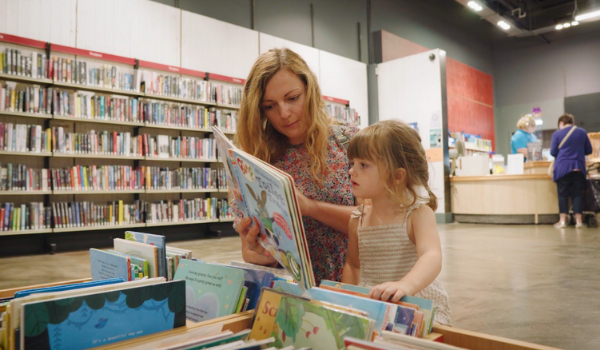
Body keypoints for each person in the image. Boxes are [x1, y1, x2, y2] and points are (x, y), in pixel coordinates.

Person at [231, 48, 359, 284]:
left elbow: (374, 222)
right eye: (270, 106)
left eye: (292, 98)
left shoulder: (349, 142)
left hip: (349, 288)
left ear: (309, 90)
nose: (285, 113)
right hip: (287, 294)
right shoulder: (254, 161)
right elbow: (250, 252)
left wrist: (309, 207)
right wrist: (257, 252)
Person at [341, 120, 451, 325]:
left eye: (363, 165)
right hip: (374, 302)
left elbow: (432, 255)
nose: (351, 171)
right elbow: (353, 265)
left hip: (414, 301)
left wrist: (405, 285)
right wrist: (347, 300)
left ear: (397, 175)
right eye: (352, 163)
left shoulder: (417, 215)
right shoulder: (358, 218)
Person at [550, 114, 593, 228]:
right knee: (578, 194)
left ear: (561, 123)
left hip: (562, 168)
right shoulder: (582, 132)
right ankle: (579, 221)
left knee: (563, 195)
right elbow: (589, 150)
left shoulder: (557, 134)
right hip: (578, 166)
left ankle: (563, 221)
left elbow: (553, 152)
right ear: (572, 122)